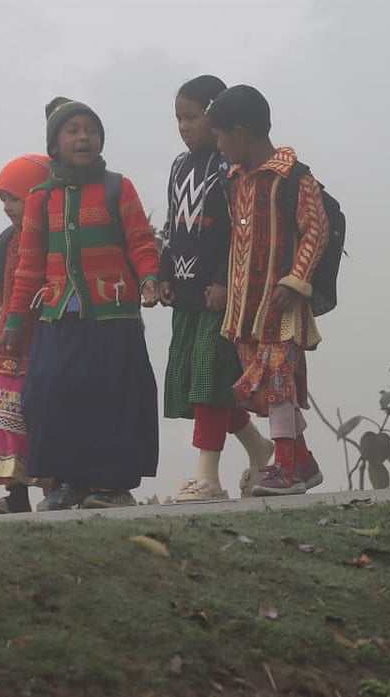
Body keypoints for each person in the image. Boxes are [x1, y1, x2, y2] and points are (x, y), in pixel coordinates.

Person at [0, 97, 161, 510]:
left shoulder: (117, 187)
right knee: (49, 393)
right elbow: (29, 267)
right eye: (73, 131)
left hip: (113, 315)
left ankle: (112, 486)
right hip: (58, 315)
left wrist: (150, 278)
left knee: (112, 397)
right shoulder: (40, 199)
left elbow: (140, 240)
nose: (83, 137)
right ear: (54, 144)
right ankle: (65, 483)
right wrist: (14, 325)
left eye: (90, 130)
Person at [205, 85, 329, 496]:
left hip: (282, 307)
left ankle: (287, 468)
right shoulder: (234, 181)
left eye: (220, 135)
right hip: (244, 309)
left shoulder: (295, 177)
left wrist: (295, 281)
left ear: (239, 133)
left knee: (278, 381)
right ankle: (304, 461)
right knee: (268, 389)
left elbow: (316, 230)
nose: (218, 145)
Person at [160, 75, 274, 501]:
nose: (183, 127)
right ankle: (260, 449)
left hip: (222, 297)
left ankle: (207, 476)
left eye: (191, 117)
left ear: (217, 117)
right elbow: (174, 225)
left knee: (210, 375)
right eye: (178, 119)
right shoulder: (177, 166)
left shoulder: (231, 168)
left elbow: (238, 233)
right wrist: (163, 274)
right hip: (186, 294)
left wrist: (225, 281)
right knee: (197, 380)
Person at [0, 153, 51, 514]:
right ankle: (17, 498)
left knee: (48, 417)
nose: (8, 208)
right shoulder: (5, 242)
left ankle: (56, 493)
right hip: (12, 348)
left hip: (47, 345)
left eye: (15, 198)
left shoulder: (55, 237)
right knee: (11, 420)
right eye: (4, 200)